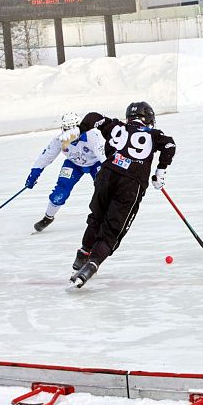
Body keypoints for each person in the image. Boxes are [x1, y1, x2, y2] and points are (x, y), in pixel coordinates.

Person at [67, 102, 176, 288]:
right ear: (148, 118)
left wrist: (79, 130)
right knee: (112, 229)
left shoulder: (117, 126)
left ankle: (83, 254)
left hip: (106, 176)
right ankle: (91, 266)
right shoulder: (152, 134)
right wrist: (160, 172)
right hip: (131, 183)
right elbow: (169, 145)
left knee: (96, 218)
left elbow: (93, 115)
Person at [24, 111, 106, 232]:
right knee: (60, 192)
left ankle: (105, 216)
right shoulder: (59, 140)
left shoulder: (93, 137)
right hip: (73, 164)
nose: (69, 134)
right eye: (66, 129)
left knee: (103, 188)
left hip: (96, 164)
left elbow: (104, 158)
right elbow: (46, 156)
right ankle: (48, 217)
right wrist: (34, 173)